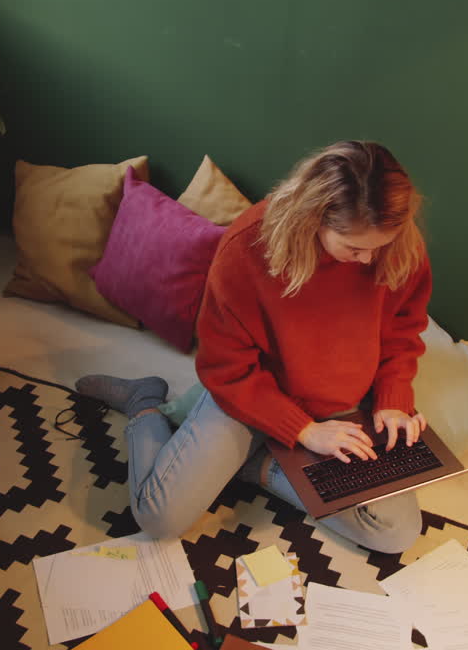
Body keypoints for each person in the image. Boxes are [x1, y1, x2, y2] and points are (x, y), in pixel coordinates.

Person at [77, 140, 432, 553]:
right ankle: (144, 402)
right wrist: (304, 432)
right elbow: (227, 368)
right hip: (253, 396)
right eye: (355, 248)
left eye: (380, 246)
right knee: (159, 518)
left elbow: (402, 332)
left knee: (394, 533)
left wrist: (392, 399)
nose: (371, 260)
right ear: (315, 217)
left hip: (343, 402)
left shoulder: (397, 241)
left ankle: (255, 466)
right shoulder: (247, 248)